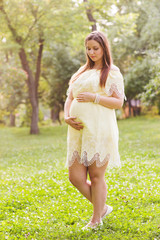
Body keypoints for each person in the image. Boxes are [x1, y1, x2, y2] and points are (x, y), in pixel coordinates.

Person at [64, 31, 125, 229]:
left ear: (104, 48)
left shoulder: (112, 71)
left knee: (96, 176)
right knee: (75, 177)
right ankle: (103, 208)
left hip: (100, 129)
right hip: (78, 131)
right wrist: (66, 116)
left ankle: (96, 219)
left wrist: (94, 98)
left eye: (95, 48)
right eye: (88, 48)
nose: (91, 52)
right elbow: (70, 97)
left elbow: (118, 102)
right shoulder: (81, 71)